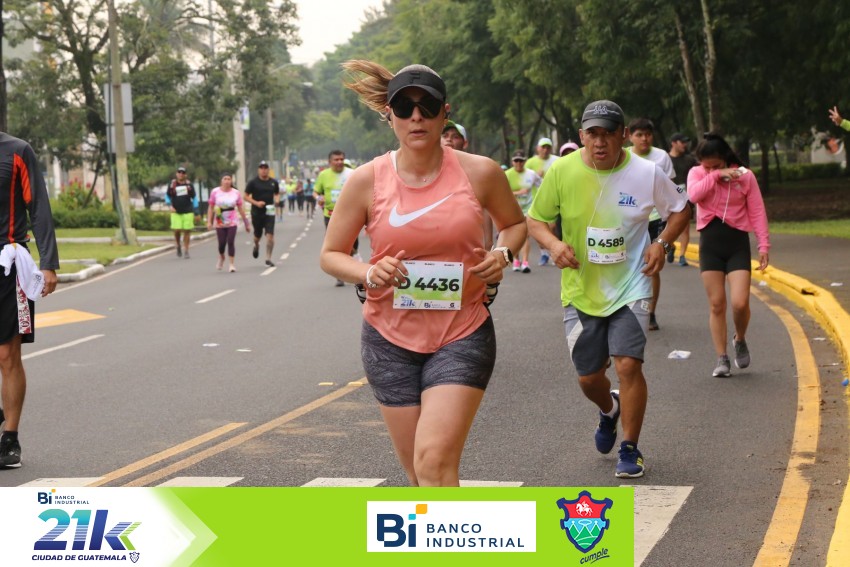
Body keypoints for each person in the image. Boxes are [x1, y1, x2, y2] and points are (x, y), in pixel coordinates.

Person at [321, 60, 526, 487]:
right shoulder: (366, 180)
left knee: (433, 462)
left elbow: (514, 224)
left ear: (445, 113)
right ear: (389, 115)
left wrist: (502, 253)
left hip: (462, 330)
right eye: (405, 107)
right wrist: (369, 271)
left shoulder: (480, 172)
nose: (416, 117)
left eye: (427, 106)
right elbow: (331, 255)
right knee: (419, 475)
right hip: (388, 338)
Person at [527, 100, 689, 478]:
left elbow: (681, 209)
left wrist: (661, 243)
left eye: (608, 134)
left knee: (627, 364)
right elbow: (536, 220)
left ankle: (630, 448)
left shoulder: (646, 172)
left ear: (623, 136)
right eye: (593, 134)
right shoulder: (562, 170)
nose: (600, 142)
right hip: (580, 289)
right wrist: (553, 245)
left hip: (631, 284)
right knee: (588, 377)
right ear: (582, 136)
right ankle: (609, 409)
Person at [687, 133, 769, 378]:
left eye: (716, 165)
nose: (711, 169)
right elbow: (693, 196)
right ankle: (721, 358)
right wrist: (714, 176)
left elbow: (757, 211)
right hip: (710, 245)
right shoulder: (697, 173)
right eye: (707, 166)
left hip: (737, 244)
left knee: (740, 303)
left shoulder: (745, 176)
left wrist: (764, 245)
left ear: (725, 158)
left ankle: (739, 338)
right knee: (717, 304)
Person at [0, 132, 59, 468]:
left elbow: (38, 207)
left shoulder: (17, 151)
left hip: (8, 266)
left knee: (7, 354)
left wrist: (48, 262)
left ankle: (10, 439)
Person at [627, 118, 677, 331]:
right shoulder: (623, 156)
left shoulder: (661, 156)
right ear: (630, 136)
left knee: (651, 266)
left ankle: (650, 312)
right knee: (626, 264)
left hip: (655, 218)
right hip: (629, 219)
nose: (644, 139)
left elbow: (671, 188)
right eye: (639, 135)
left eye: (647, 134)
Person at [443, 120, 494, 250]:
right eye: (445, 135)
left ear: (464, 143)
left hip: (468, 246)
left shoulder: (475, 172)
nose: (449, 139)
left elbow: (485, 209)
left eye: (455, 137)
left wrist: (488, 244)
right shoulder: (427, 171)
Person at [315, 150, 354, 287]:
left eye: (341, 159)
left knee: (351, 245)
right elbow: (316, 192)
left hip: (351, 215)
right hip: (330, 215)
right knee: (336, 245)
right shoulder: (323, 175)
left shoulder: (352, 173)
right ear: (330, 162)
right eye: (336, 160)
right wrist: (319, 198)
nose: (339, 162)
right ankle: (340, 275)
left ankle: (353, 261)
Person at [505, 150, 542, 273]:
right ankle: (516, 260)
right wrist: (518, 193)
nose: (518, 163)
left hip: (528, 208)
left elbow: (542, 185)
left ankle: (525, 262)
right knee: (516, 235)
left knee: (525, 235)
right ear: (512, 162)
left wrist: (540, 200)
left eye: (521, 161)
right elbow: (502, 192)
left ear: (525, 161)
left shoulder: (531, 174)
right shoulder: (507, 174)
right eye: (516, 161)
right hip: (513, 209)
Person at [207, 174, 251, 272]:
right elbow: (211, 207)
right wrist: (209, 221)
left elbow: (240, 208)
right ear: (221, 181)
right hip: (220, 220)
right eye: (225, 179)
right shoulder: (215, 192)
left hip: (232, 221)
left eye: (229, 179)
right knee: (221, 243)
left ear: (231, 181)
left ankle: (231, 264)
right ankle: (222, 256)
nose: (227, 181)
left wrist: (246, 223)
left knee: (231, 241)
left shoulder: (236, 193)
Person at [668, 133, 699, 266]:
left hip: (685, 198)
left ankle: (682, 256)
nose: (684, 145)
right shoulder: (665, 159)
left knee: (684, 228)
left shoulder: (690, 160)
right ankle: (671, 246)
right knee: (668, 228)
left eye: (686, 142)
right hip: (668, 199)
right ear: (673, 143)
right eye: (682, 142)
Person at [244, 160, 280, 268]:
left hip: (269, 211)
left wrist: (277, 200)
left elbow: (277, 193)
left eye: (265, 168)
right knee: (257, 235)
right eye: (261, 168)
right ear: (258, 170)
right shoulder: (253, 182)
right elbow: (245, 196)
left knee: (270, 235)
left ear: (268, 170)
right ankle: (256, 245)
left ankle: (268, 258)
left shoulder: (273, 182)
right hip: (257, 212)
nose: (264, 170)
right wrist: (256, 203)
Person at [166, 166, 196, 259]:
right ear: (176, 174)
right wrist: (170, 206)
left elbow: (194, 197)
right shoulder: (172, 185)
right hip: (176, 211)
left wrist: (196, 210)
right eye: (179, 172)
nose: (181, 174)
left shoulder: (189, 185)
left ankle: (186, 250)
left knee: (187, 231)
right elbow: (167, 196)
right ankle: (178, 244)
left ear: (185, 175)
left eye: (183, 173)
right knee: (177, 230)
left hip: (188, 210)